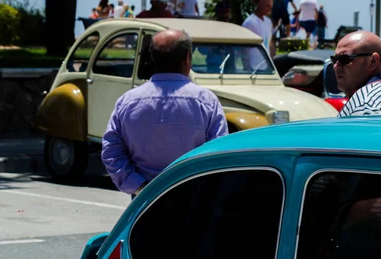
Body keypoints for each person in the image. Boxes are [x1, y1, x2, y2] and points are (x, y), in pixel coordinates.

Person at [102, 29, 229, 197]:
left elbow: (111, 152)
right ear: (187, 59)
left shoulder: (127, 102)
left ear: (152, 59)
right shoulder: (206, 101)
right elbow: (219, 154)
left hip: (145, 204)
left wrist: (140, 187)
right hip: (193, 201)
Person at [242, 0, 275, 65]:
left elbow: (270, 44)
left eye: (271, 6)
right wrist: (247, 67)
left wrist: (273, 62)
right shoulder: (250, 23)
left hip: (267, 66)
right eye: (267, 6)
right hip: (254, 66)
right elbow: (245, 49)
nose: (270, 9)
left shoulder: (268, 22)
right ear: (259, 4)